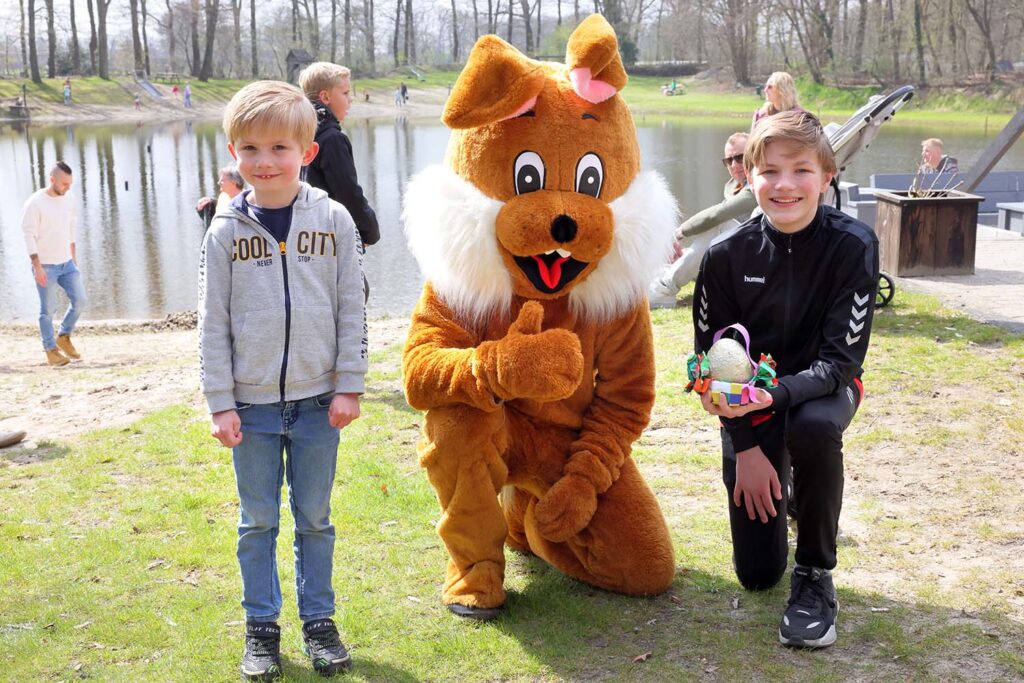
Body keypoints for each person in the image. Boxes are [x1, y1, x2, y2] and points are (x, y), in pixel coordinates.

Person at [199, 80, 367, 681]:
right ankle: (261, 629)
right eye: (249, 149)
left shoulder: (335, 220)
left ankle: (319, 623)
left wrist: (349, 383)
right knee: (258, 522)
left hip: (322, 401)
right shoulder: (224, 230)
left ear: (307, 154)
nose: (263, 162)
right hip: (253, 407)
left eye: (278, 148)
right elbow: (212, 323)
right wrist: (220, 401)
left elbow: (352, 307)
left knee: (316, 518)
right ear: (232, 152)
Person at [691, 110, 878, 649]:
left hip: (826, 390)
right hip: (750, 409)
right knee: (755, 576)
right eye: (770, 171)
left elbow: (838, 363)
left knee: (814, 428)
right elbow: (711, 370)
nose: (785, 185)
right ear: (749, 177)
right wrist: (747, 447)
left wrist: (770, 399)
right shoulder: (725, 257)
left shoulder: (854, 245)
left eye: (801, 170)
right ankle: (785, 483)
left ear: (827, 176)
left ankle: (816, 575)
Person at [649, 131, 757, 307]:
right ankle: (659, 279)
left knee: (719, 224)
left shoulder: (759, 183)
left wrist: (681, 232)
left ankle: (665, 288)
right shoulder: (733, 186)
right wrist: (685, 254)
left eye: (739, 157)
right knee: (681, 252)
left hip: (756, 267)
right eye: (728, 160)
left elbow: (719, 214)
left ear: (754, 154)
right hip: (733, 261)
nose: (734, 165)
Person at [297, 62, 380, 251]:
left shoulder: (298, 134)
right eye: (345, 93)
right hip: (333, 236)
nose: (350, 99)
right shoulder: (332, 139)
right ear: (325, 97)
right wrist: (369, 230)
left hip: (306, 237)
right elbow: (347, 192)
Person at [21, 161, 87, 367]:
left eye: (70, 183)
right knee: (48, 310)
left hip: (66, 262)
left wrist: (73, 255)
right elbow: (28, 235)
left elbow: (70, 226)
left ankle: (64, 336)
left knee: (80, 300)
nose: (68, 188)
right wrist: (37, 265)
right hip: (46, 265)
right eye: (64, 184)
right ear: (52, 180)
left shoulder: (70, 198)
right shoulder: (35, 203)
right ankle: (51, 350)